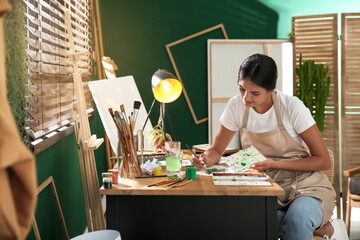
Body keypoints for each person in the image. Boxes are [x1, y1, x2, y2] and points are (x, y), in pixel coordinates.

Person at [191, 54, 348, 240]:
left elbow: (323, 160)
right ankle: (318, 228)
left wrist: (273, 163)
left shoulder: (292, 107)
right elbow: (217, 151)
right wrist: (204, 160)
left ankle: (303, 224)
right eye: (242, 89)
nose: (245, 98)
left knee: (297, 220)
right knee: (239, 218)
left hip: (306, 186)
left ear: (271, 90)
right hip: (263, 185)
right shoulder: (236, 106)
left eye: (255, 93)